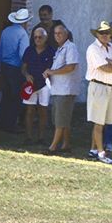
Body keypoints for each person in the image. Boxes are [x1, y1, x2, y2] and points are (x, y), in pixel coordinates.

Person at [84, 20, 112, 164]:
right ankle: (101, 153)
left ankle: (93, 150)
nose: (105, 35)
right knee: (98, 122)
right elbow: (104, 68)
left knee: (102, 121)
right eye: (102, 33)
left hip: (110, 87)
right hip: (99, 86)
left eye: (107, 33)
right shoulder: (93, 49)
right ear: (97, 34)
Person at [43, 21, 81, 154]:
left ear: (66, 34)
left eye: (60, 33)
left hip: (66, 89)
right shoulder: (60, 49)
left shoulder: (70, 47)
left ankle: (52, 147)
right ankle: (66, 144)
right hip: (58, 89)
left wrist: (52, 72)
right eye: (55, 33)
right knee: (62, 118)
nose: (57, 36)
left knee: (60, 119)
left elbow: (71, 67)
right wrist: (48, 73)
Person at [0, 8, 31, 134]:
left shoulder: (6, 31)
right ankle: (11, 123)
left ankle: (3, 121)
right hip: (16, 68)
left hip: (5, 66)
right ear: (25, 22)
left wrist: (0, 65)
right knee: (16, 97)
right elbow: (23, 54)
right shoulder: (22, 34)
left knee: (5, 96)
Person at [20, 24, 54, 143]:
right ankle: (28, 137)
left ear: (46, 38)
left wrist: (49, 73)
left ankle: (41, 137)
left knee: (43, 110)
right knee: (29, 110)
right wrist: (27, 75)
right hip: (31, 84)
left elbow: (54, 67)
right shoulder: (29, 50)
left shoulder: (51, 51)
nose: (38, 39)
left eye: (40, 37)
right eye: (36, 37)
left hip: (44, 84)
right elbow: (23, 67)